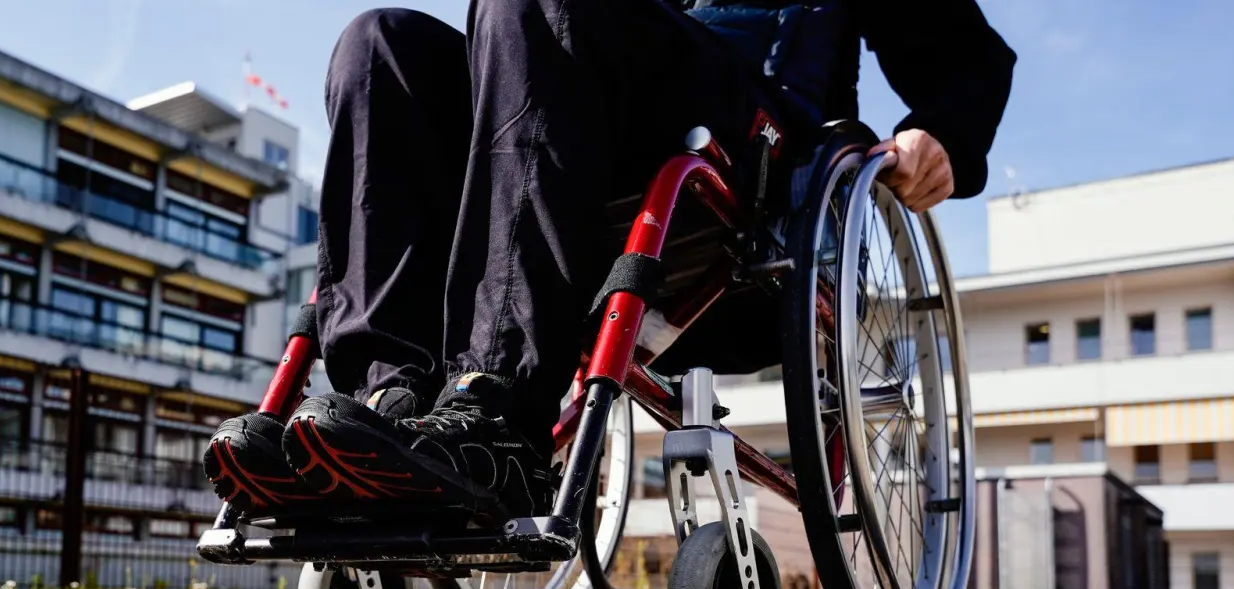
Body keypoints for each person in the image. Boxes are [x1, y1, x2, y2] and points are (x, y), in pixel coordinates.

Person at [204, 0, 1015, 521]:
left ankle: (496, 416)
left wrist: (939, 132)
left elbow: (971, 58)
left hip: (759, 165)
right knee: (380, 44)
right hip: (577, 157)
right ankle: (387, 401)